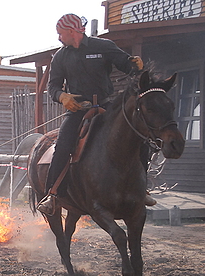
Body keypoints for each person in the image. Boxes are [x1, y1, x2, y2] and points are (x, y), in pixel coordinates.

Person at [37, 13, 149, 215]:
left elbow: (126, 64)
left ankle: (143, 189)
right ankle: (53, 195)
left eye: (60, 33)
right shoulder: (60, 57)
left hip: (107, 107)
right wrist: (62, 97)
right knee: (62, 146)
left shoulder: (103, 46)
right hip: (78, 111)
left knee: (139, 139)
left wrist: (135, 65)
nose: (59, 38)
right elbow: (53, 87)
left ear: (72, 32)